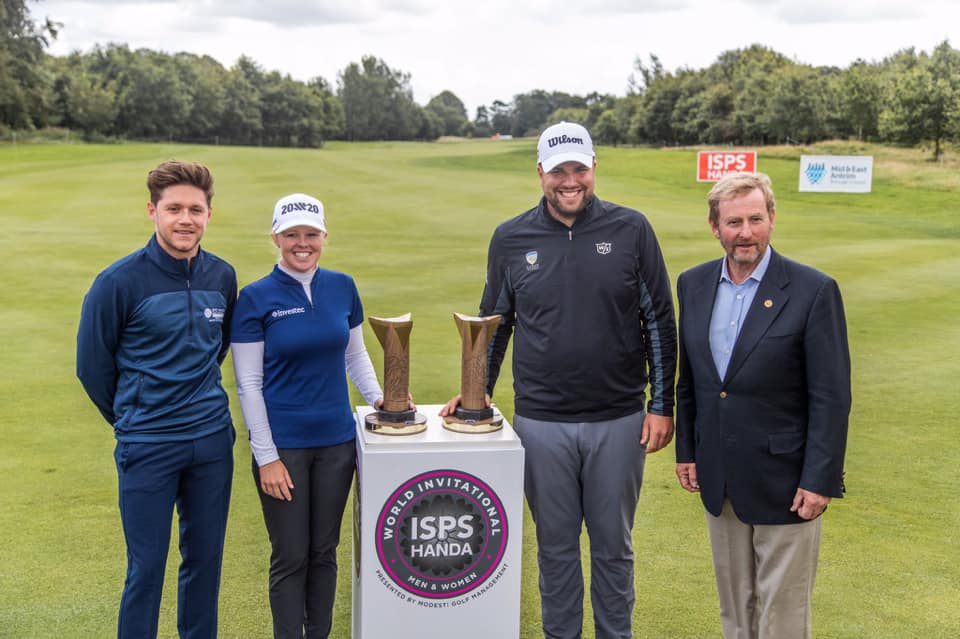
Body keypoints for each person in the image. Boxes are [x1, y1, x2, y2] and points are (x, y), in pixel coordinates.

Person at [441, 121, 677, 639]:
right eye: (558, 172)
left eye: (579, 169)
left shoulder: (631, 229)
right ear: (540, 174)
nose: (570, 181)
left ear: (594, 168)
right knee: (555, 547)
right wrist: (475, 390)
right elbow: (493, 323)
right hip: (541, 421)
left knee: (614, 547)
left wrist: (662, 403)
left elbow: (658, 319)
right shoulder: (511, 238)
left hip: (619, 418)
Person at [674, 172, 851, 639]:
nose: (745, 232)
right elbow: (690, 381)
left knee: (782, 618)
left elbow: (831, 397)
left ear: (772, 218)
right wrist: (687, 451)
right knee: (737, 614)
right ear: (715, 227)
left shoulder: (813, 290)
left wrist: (820, 479)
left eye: (756, 218)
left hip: (787, 483)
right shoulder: (692, 285)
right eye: (734, 222)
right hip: (720, 478)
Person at [76, 160, 237, 639]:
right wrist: (136, 415)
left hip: (210, 442)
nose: (185, 219)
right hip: (147, 446)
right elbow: (92, 368)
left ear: (209, 214)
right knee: (145, 570)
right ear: (153, 211)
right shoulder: (118, 282)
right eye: (173, 209)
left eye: (195, 209)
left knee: (205, 563)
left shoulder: (223, 276)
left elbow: (218, 347)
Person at [230, 193, 385, 639]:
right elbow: (249, 384)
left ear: (324, 236)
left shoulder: (342, 287)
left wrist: (381, 399)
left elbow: (355, 357)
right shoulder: (255, 298)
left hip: (337, 442)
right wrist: (266, 456)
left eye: (311, 234)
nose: (303, 244)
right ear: (276, 237)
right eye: (292, 235)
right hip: (285, 449)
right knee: (291, 555)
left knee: (324, 552)